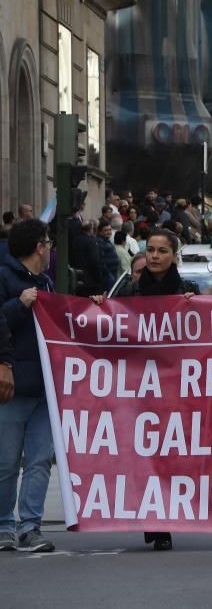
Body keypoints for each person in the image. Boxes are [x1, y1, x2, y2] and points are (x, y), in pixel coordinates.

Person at [97, 228, 199, 551]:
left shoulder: (190, 291)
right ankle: (151, 518)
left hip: (176, 385)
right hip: (139, 386)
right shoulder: (129, 290)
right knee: (143, 453)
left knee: (169, 455)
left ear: (174, 256)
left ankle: (164, 520)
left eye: (161, 251)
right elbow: (109, 328)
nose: (154, 256)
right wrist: (100, 306)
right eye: (150, 250)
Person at [0, 219, 55, 552]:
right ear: (39, 246)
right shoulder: (4, 278)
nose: (49, 250)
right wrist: (19, 304)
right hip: (13, 386)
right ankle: (4, 524)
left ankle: (30, 525)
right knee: (7, 462)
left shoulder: (46, 282)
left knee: (38, 461)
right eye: (47, 243)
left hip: (44, 387)